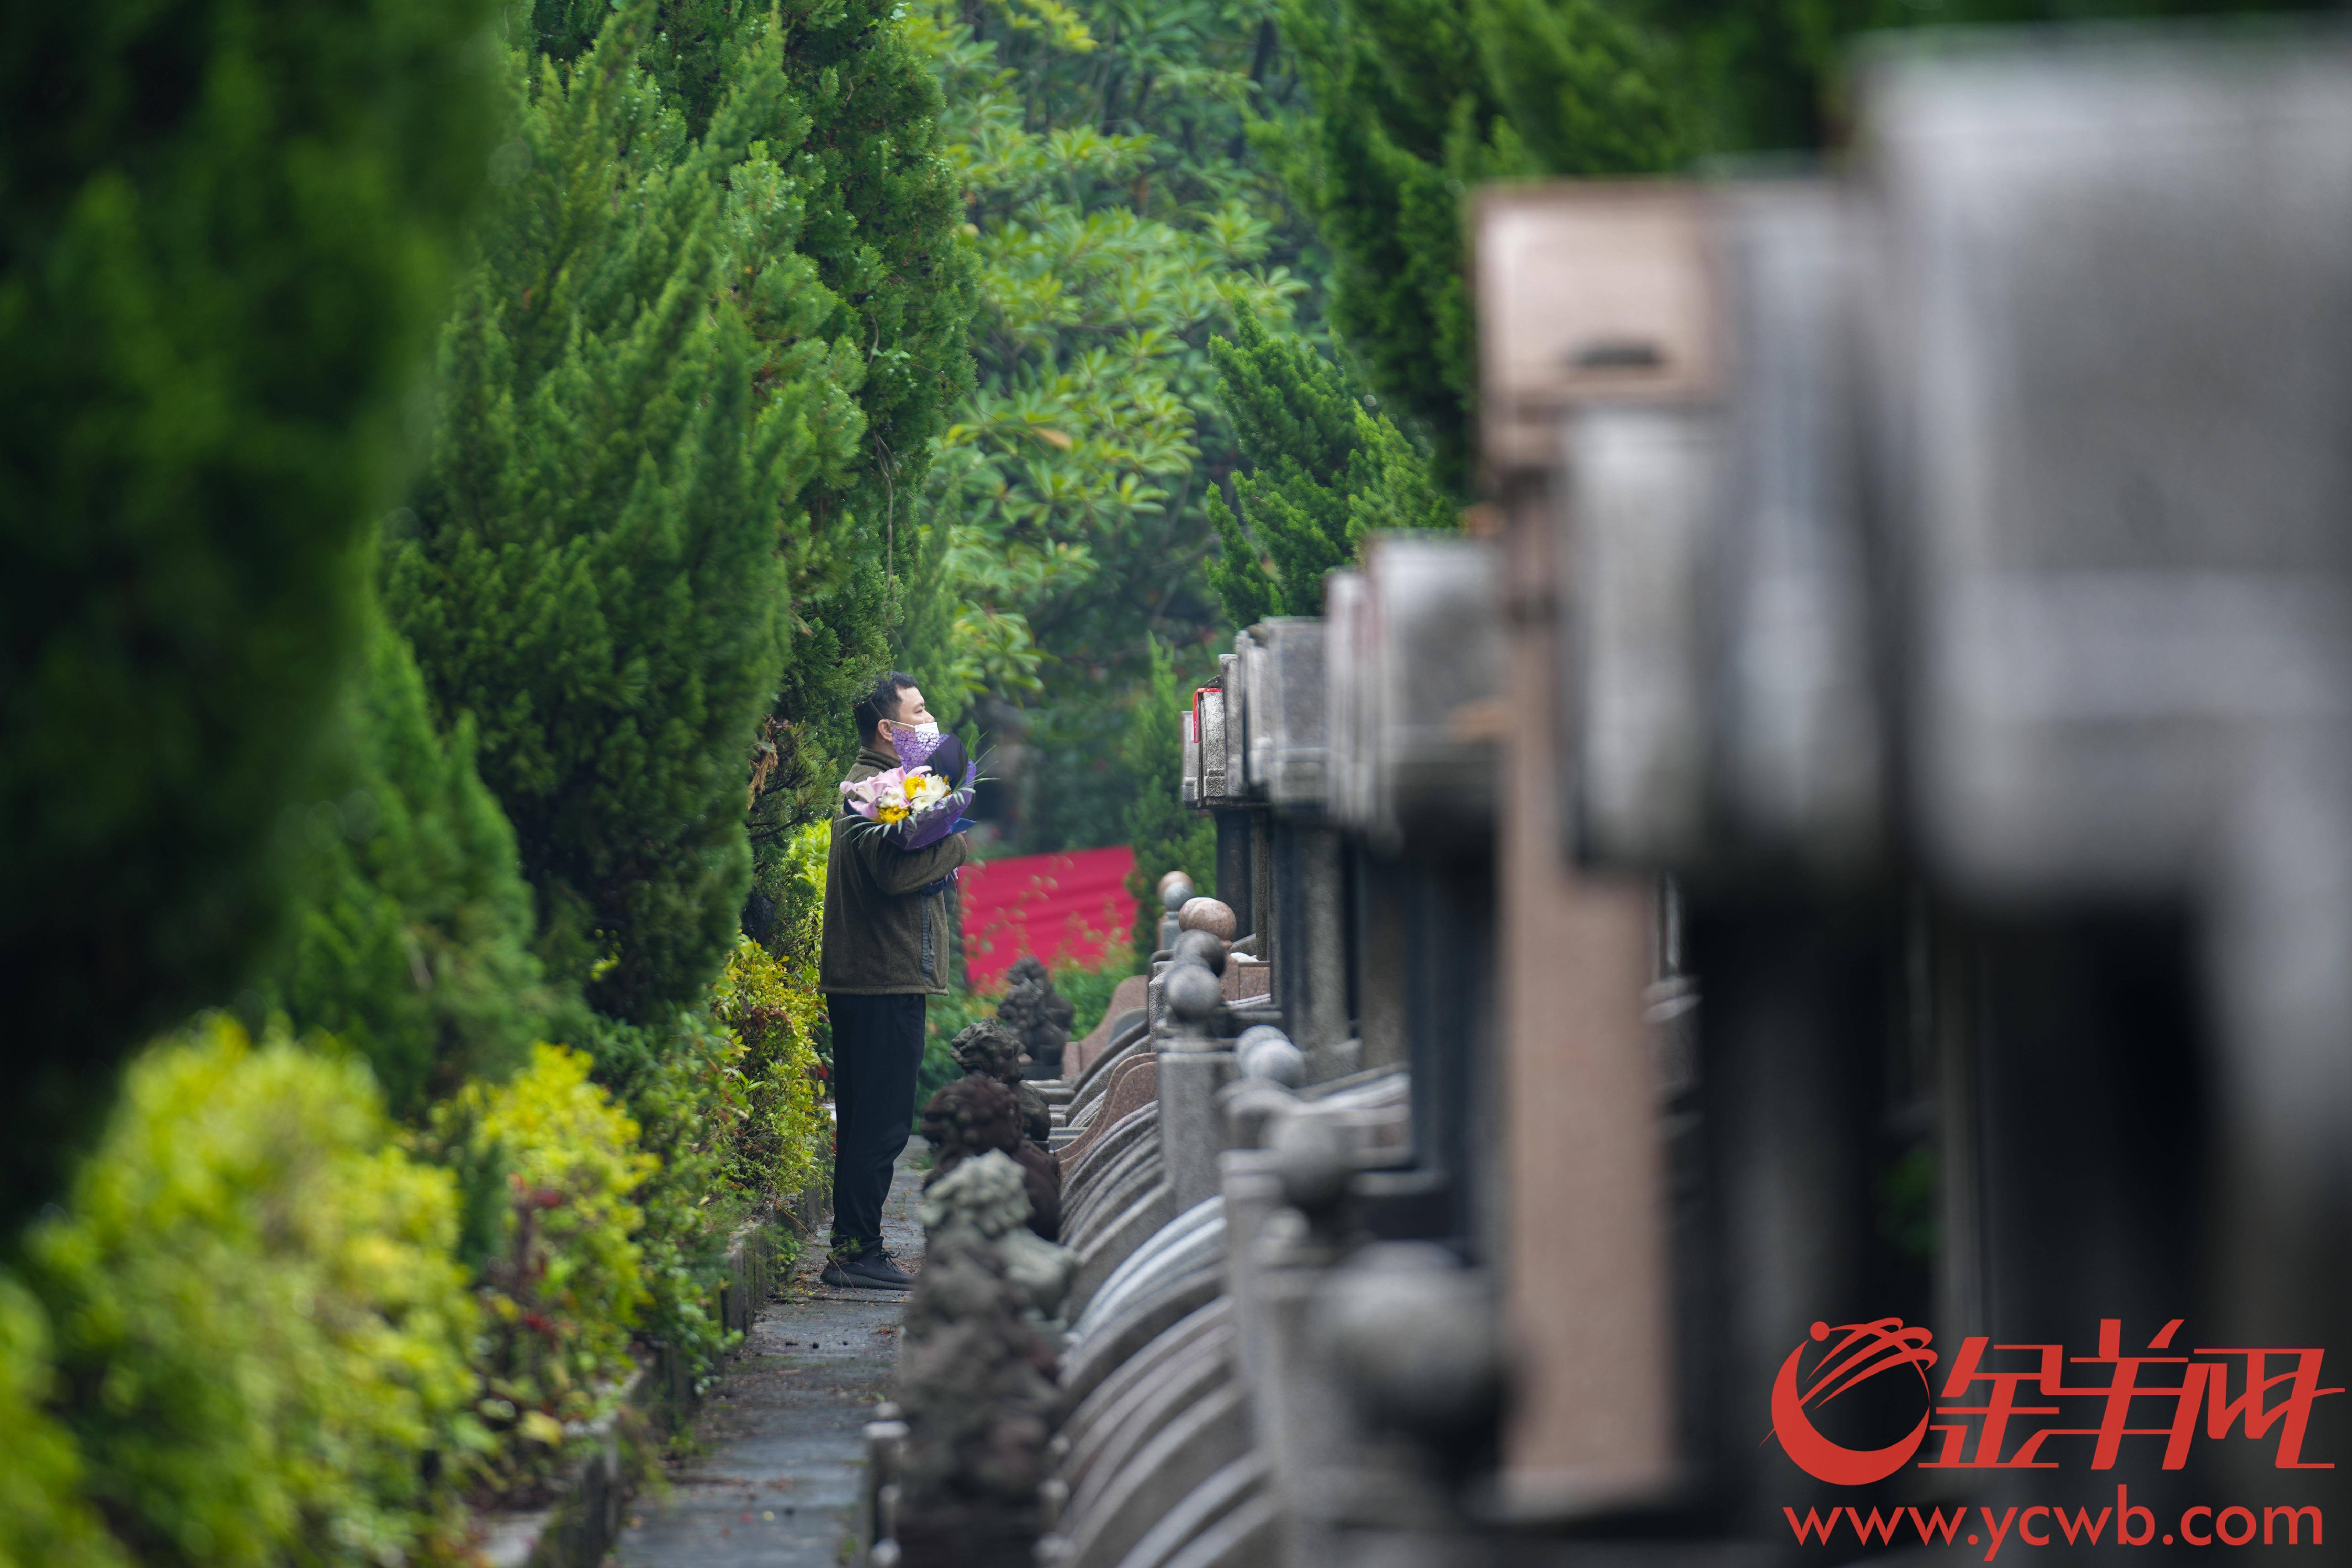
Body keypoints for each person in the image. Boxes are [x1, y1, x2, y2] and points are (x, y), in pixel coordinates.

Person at [818, 671, 971, 1289]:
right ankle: (857, 1255)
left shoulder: (883, 786)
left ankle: (854, 1248)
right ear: (889, 728)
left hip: (870, 976)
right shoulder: (870, 790)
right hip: (881, 977)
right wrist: (957, 843)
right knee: (879, 1125)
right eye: (920, 710)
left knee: (865, 1122)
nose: (930, 720)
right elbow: (892, 875)